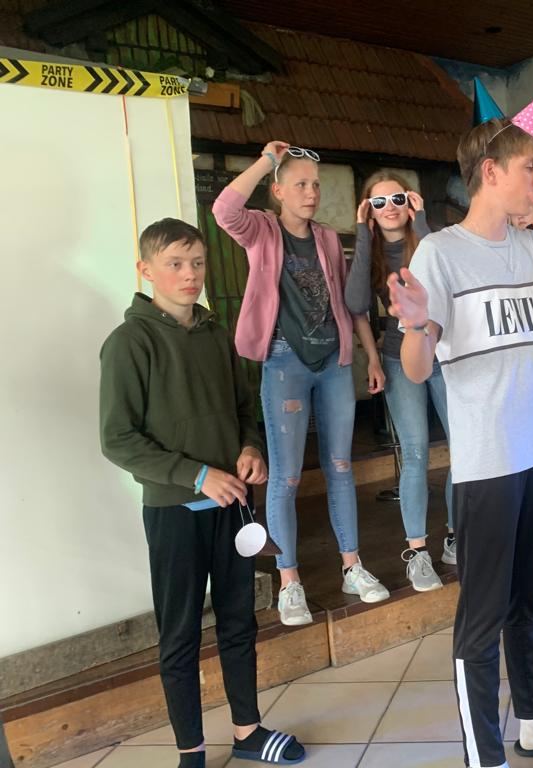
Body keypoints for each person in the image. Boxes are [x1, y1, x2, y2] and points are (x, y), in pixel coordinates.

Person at [387, 96, 533, 767]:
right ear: (490, 172)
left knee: (529, 602)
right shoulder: (441, 253)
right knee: (483, 615)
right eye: (532, 169)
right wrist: (415, 323)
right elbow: (417, 367)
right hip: (490, 460)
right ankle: (485, 756)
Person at [99, 219, 306, 767]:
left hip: (233, 507)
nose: (189, 274)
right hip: (176, 512)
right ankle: (190, 751)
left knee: (239, 621)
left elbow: (243, 409)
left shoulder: (217, 333)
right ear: (145, 270)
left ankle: (248, 731)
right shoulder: (128, 343)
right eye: (175, 264)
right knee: (181, 633)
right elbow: (118, 440)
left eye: (196, 263)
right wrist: (196, 475)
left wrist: (250, 448)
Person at [213, 141, 387, 626]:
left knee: (341, 466)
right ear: (279, 191)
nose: (311, 193)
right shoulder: (261, 230)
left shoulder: (328, 238)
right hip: (284, 362)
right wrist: (268, 160)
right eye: (301, 185)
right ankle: (289, 582)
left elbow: (351, 303)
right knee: (286, 476)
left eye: (316, 185)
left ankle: (352, 565)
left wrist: (370, 356)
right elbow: (224, 209)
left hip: (334, 363)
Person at [345, 171, 455, 592]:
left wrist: (421, 221)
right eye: (378, 203)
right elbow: (356, 303)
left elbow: (443, 281)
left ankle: (455, 536)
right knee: (415, 452)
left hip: (444, 352)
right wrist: (362, 233)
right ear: (368, 211)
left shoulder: (430, 240)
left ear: (411, 202)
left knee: (464, 446)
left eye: (397, 199)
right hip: (397, 356)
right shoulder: (370, 253)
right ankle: (417, 552)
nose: (389, 207)